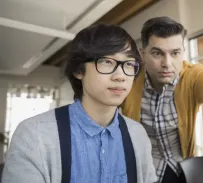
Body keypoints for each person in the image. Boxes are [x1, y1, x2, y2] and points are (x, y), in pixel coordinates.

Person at [2, 23, 157, 183]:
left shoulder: (137, 135)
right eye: (107, 62)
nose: (121, 76)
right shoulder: (35, 135)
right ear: (78, 70)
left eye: (129, 64)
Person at [120, 16, 203, 183]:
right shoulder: (129, 77)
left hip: (183, 169)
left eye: (175, 53)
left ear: (183, 53)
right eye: (157, 53)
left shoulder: (193, 75)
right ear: (143, 54)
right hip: (142, 172)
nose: (167, 63)